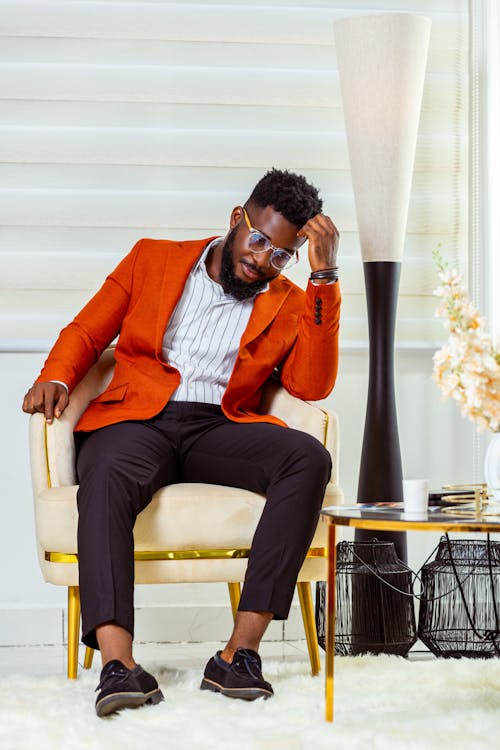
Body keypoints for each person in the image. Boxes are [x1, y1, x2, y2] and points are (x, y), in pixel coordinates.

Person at [22, 168, 341, 717]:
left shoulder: (288, 299)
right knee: (107, 475)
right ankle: (118, 667)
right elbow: (88, 330)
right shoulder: (153, 259)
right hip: (135, 421)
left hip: (219, 425)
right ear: (237, 218)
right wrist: (56, 375)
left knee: (308, 457)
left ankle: (238, 656)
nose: (263, 260)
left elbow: (311, 385)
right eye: (259, 240)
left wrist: (324, 278)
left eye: (281, 255)